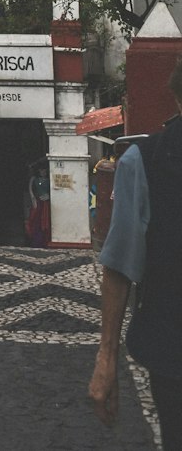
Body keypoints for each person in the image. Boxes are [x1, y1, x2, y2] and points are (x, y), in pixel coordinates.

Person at [89, 59, 182, 446]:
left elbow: (120, 265)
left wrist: (106, 358)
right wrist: (106, 358)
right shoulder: (143, 163)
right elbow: (119, 264)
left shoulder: (142, 162)